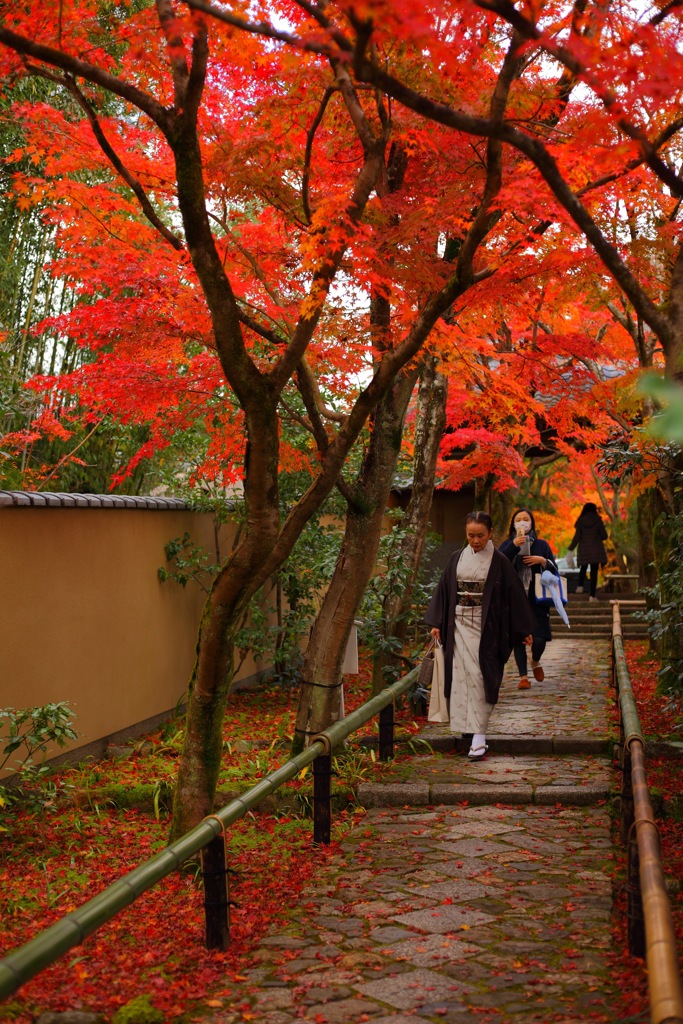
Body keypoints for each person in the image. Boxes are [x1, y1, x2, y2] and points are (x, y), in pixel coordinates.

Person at [425, 511, 536, 761]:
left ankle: (479, 736)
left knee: (479, 676)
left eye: (481, 536)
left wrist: (523, 629)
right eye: (471, 536)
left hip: (487, 628)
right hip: (457, 626)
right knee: (462, 678)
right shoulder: (456, 558)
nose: (475, 541)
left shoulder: (499, 561)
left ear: (490, 534)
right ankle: (470, 729)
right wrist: (437, 622)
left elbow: (514, 595)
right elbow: (444, 590)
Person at [499, 508, 560, 690]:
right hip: (515, 598)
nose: (523, 522)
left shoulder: (542, 545)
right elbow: (499, 564)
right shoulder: (506, 544)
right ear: (513, 524)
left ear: (532, 523)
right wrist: (513, 546)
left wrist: (542, 561)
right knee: (518, 638)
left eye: (526, 519)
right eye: (519, 519)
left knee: (540, 638)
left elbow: (555, 569)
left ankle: (535, 660)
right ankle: (523, 676)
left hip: (537, 597)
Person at [568, 502, 608, 603]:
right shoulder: (598, 520)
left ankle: (580, 587)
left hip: (584, 549)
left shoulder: (581, 521)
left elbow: (577, 537)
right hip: (596, 550)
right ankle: (592, 595)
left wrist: (571, 548)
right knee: (594, 572)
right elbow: (604, 536)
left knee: (583, 568)